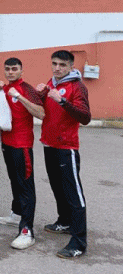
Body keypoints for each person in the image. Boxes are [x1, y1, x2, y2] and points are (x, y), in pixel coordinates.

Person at [36, 50, 91, 259]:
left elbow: (85, 117)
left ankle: (79, 243)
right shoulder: (51, 84)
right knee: (58, 188)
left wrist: (62, 101)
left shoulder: (77, 86)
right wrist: (40, 94)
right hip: (49, 144)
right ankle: (65, 221)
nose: (57, 68)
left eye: (62, 64)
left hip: (66, 147)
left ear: (71, 66)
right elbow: (44, 110)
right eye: (54, 63)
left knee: (73, 194)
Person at [0, 58, 44, 250]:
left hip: (22, 145)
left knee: (26, 186)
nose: (11, 72)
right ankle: (17, 214)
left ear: (21, 70)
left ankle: (27, 231)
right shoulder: (4, 88)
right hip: (7, 143)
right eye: (8, 69)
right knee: (14, 180)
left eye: (14, 69)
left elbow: (41, 113)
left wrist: (20, 97)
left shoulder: (26, 89)